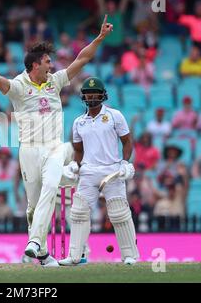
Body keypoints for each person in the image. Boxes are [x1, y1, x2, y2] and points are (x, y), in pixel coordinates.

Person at [0, 15, 113, 267]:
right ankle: (41, 252)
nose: (52, 65)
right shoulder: (19, 86)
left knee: (51, 186)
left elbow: (82, 59)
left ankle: (32, 242)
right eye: (47, 62)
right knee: (34, 207)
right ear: (34, 66)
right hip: (29, 151)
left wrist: (100, 37)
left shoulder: (55, 81)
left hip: (55, 147)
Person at [58, 77, 138, 266]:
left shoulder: (114, 115)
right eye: (87, 93)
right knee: (78, 212)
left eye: (95, 93)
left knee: (119, 213)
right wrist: (75, 166)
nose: (91, 96)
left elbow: (127, 141)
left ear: (103, 95)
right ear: (82, 96)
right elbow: (78, 150)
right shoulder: (79, 122)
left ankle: (129, 256)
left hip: (112, 170)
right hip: (88, 171)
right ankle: (75, 256)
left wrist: (125, 163)